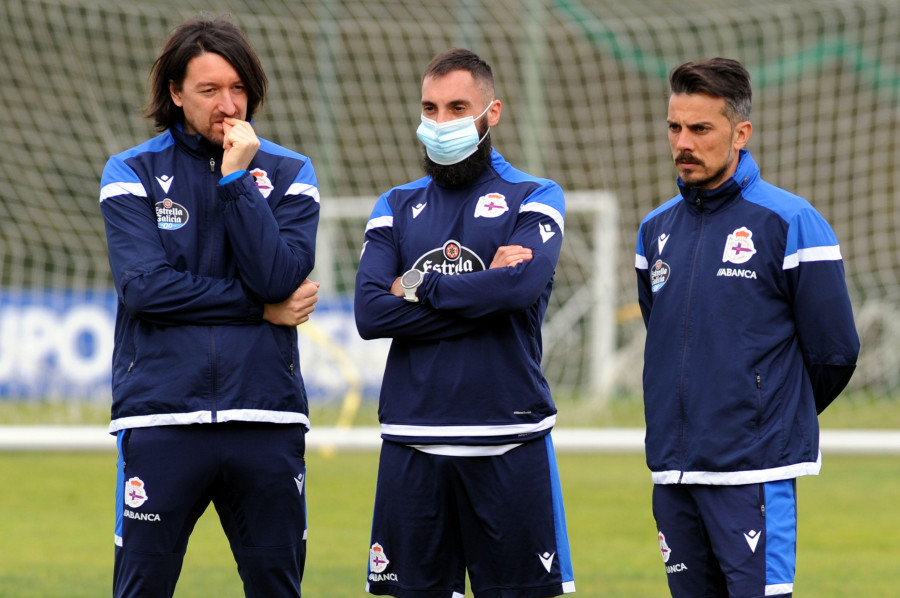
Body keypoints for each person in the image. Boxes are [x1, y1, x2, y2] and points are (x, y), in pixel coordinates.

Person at [98, 16, 320, 597]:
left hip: (265, 417)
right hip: (161, 417)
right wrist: (260, 311)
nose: (228, 104)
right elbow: (145, 288)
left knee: (277, 587)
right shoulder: (130, 171)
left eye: (238, 88)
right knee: (142, 588)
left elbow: (278, 277)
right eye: (209, 89)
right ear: (175, 93)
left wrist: (235, 180)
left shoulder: (291, 172)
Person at [354, 48, 576, 597]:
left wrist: (417, 285)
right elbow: (370, 312)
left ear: (491, 113)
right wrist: (485, 301)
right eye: (431, 108)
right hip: (413, 440)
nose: (442, 122)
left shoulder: (535, 195)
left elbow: (519, 288)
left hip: (508, 437)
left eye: (458, 107)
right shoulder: (395, 204)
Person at [635, 57, 860, 598]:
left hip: (752, 473)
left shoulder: (790, 222)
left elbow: (835, 352)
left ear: (740, 133)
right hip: (674, 472)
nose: (683, 142)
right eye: (675, 127)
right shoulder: (654, 231)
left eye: (700, 129)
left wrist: (765, 414)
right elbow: (665, 333)